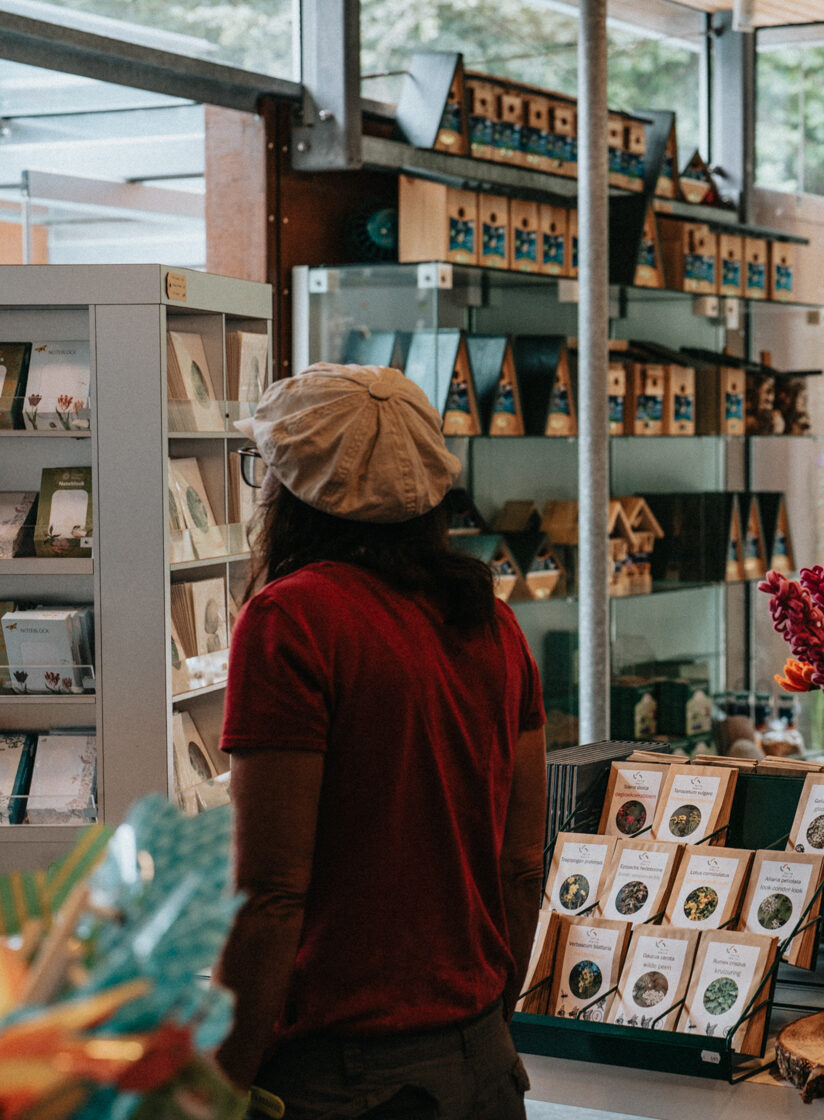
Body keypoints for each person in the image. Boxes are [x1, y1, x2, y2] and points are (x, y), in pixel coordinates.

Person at [214, 363, 546, 1119]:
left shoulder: (291, 621)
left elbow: (271, 895)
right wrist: (490, 1022)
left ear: (293, 491)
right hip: (484, 1069)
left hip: (342, 1079)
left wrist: (215, 1086)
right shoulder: (493, 624)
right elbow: (522, 866)